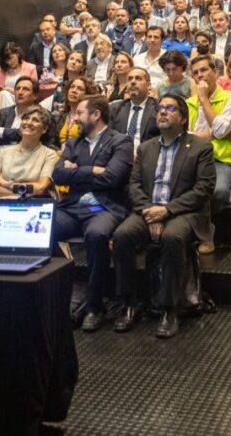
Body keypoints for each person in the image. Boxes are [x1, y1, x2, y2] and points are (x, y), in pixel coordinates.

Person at [112, 94, 216, 338]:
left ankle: (170, 308)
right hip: (149, 209)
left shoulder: (200, 146)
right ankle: (129, 302)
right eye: (160, 108)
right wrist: (150, 211)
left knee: (172, 237)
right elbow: (134, 185)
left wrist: (167, 211)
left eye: (170, 108)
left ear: (182, 117)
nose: (162, 112)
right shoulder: (146, 147)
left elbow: (204, 189)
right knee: (122, 235)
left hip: (184, 211)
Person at [51, 97, 134, 331]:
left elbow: (112, 178)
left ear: (96, 115)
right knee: (42, 227)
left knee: (97, 235)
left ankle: (95, 305)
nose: (74, 118)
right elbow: (57, 175)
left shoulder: (121, 141)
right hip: (75, 204)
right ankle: (65, 288)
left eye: (79, 113)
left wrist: (77, 171)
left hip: (104, 205)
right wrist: (92, 171)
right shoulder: (74, 143)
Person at [0, 106, 60, 257]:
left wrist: (5, 183)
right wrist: (24, 189)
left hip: (32, 207)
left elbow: (41, 188)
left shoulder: (49, 155)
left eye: (35, 120)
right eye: (26, 118)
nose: (28, 123)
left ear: (44, 129)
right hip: (1, 205)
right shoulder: (4, 152)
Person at [186, 55, 231, 254]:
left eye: (204, 70)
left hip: (221, 158)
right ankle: (204, 233)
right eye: (195, 73)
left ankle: (202, 230)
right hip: (193, 158)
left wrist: (203, 99)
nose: (199, 75)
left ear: (215, 72)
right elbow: (183, 135)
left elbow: (218, 131)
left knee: (217, 193)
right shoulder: (188, 103)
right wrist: (207, 135)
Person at [0, 76, 52, 150]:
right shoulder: (5, 112)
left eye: (25, 89)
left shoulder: (43, 114)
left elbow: (32, 135)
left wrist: (0, 131)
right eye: (17, 89)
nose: (20, 92)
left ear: (35, 96)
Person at [108, 67, 160, 155]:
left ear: (148, 85)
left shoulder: (158, 108)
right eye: (129, 79)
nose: (133, 82)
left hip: (147, 157)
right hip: (118, 156)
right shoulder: (115, 108)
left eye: (138, 78)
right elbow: (108, 137)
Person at [52, 76, 91, 147]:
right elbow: (52, 142)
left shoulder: (89, 118)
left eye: (80, 89)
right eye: (72, 87)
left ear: (87, 94)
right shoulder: (60, 117)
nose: (74, 90)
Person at [133, 25, 167, 93]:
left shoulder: (168, 58)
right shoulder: (137, 59)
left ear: (162, 40)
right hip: (140, 94)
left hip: (163, 94)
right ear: (145, 39)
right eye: (149, 37)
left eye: (156, 37)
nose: (152, 40)